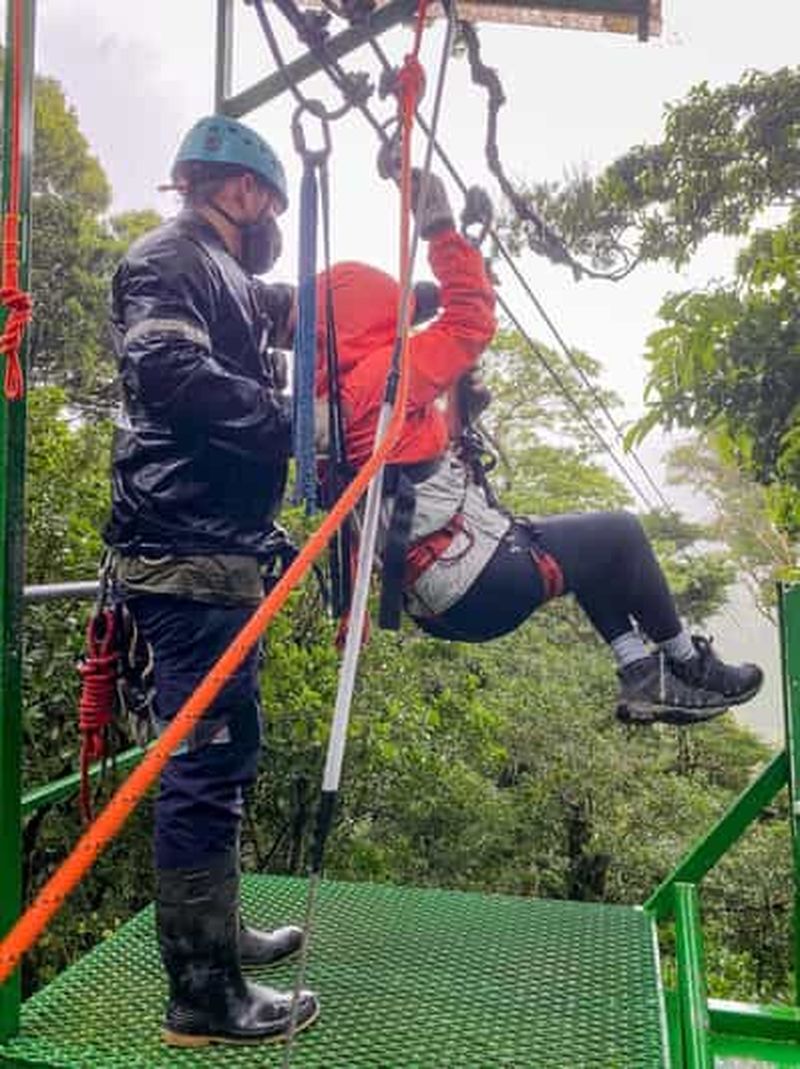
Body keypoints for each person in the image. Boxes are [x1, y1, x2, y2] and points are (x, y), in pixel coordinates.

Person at [314, 171, 763, 725]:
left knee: (590, 556)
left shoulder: (336, 404)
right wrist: (442, 234)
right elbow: (469, 320)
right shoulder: (384, 375)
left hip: (437, 594)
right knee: (622, 532)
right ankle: (688, 663)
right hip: (473, 577)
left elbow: (418, 466)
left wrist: (460, 413)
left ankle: (639, 670)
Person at [103, 115, 319, 1047]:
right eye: (269, 195)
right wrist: (291, 421)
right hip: (183, 554)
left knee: (227, 751)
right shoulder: (168, 259)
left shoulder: (224, 272)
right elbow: (170, 372)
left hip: (220, 553)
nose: (272, 213)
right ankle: (201, 992)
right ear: (241, 190)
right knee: (200, 765)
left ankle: (219, 930)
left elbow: (283, 308)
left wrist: (419, 293)